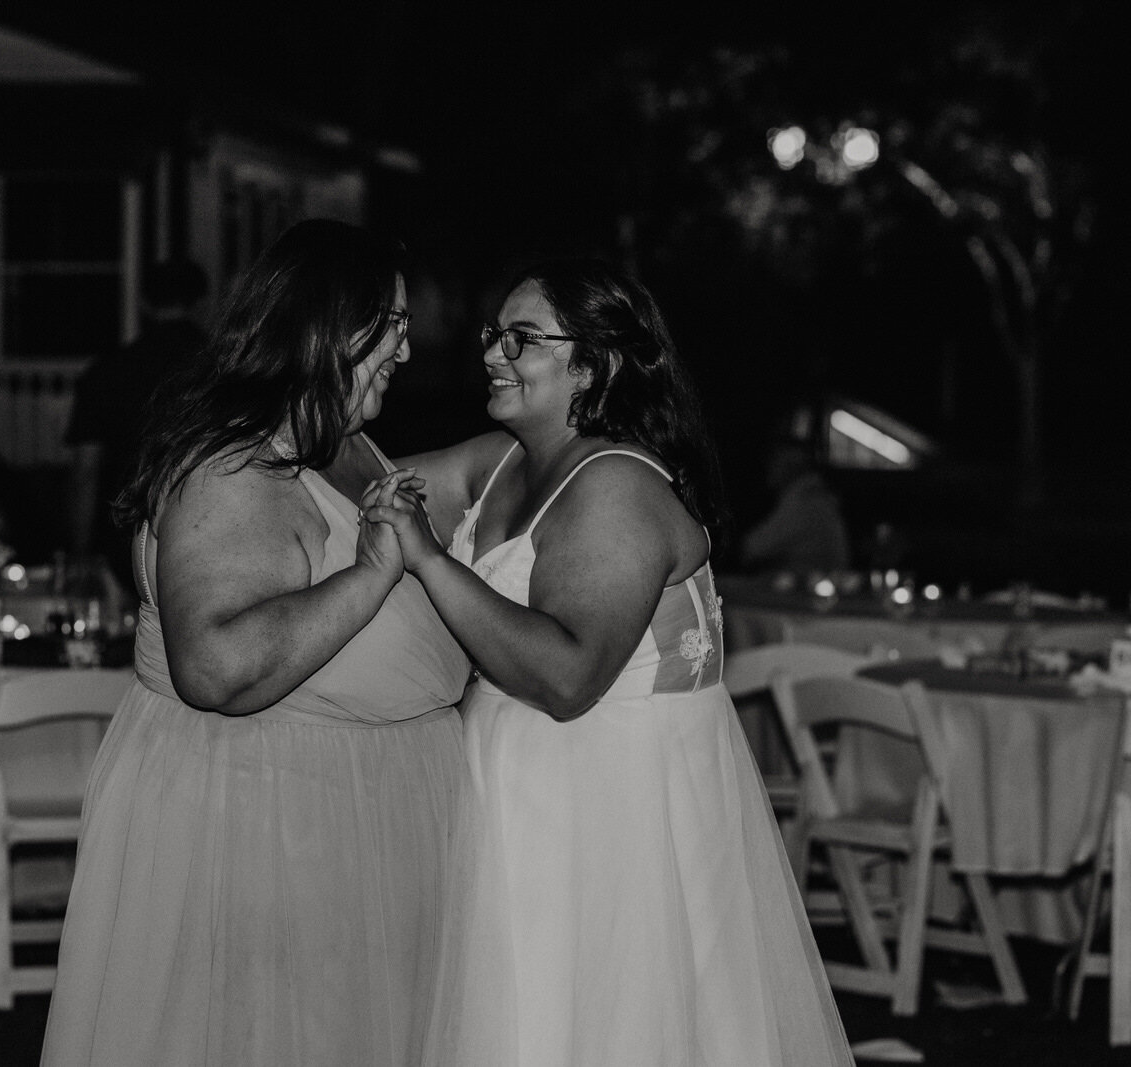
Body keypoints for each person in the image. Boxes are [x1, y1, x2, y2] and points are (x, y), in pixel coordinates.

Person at [365, 258, 853, 1065]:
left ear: (593, 365)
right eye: (494, 333)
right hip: (513, 793)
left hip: (607, 814)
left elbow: (568, 675)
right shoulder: (505, 460)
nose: (492, 352)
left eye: (522, 339)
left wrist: (429, 559)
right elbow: (368, 489)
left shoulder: (617, 487)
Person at [40, 220, 470, 1067]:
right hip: (272, 824)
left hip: (361, 825)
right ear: (324, 325)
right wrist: (372, 574)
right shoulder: (233, 469)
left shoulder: (345, 441)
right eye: (391, 323)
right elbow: (217, 667)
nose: (407, 349)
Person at [63, 257, 209, 587]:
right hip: (207, 526)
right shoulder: (221, 366)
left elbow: (85, 471)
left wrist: (80, 550)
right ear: (201, 302)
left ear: (143, 302)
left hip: (128, 531)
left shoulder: (108, 370)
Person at [739, 436, 851, 576]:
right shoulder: (813, 496)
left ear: (789, 466)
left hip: (810, 591)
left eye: (776, 461)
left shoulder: (806, 502)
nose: (769, 468)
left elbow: (753, 547)